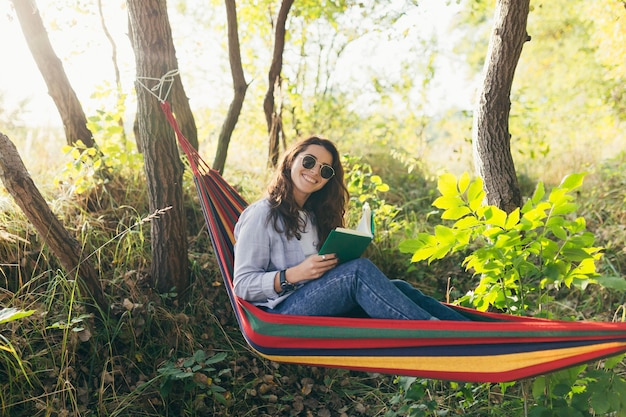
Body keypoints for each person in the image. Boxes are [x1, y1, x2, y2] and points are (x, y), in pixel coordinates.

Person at [233, 136, 468, 321]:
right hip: (281, 312)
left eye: (325, 170)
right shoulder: (262, 214)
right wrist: (294, 274)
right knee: (358, 272)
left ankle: (473, 332)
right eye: (309, 161)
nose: (315, 171)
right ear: (291, 160)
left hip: (312, 295)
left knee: (399, 287)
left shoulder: (313, 217)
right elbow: (242, 285)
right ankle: (432, 334)